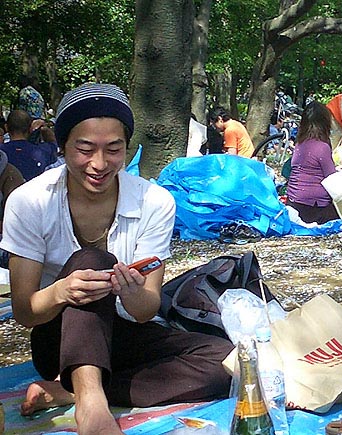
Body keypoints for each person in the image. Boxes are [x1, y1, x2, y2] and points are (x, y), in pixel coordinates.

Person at [0, 83, 234, 435]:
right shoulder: (29, 202)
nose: (99, 164)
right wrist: (62, 292)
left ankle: (70, 391)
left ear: (127, 147)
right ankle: (90, 403)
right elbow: (24, 311)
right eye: (84, 149)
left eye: (113, 149)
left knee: (226, 363)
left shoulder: (154, 202)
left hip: (121, 334)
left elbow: (144, 310)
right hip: (59, 341)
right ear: (62, 146)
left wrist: (131, 291)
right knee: (91, 259)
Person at [286, 101, 340, 224]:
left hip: (293, 203)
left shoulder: (300, 144)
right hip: (313, 208)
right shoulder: (322, 147)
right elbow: (332, 179)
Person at [1, 110, 56, 180]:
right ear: (30, 128)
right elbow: (53, 144)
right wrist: (44, 129)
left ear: (6, 127)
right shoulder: (42, 151)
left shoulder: (1, 152)